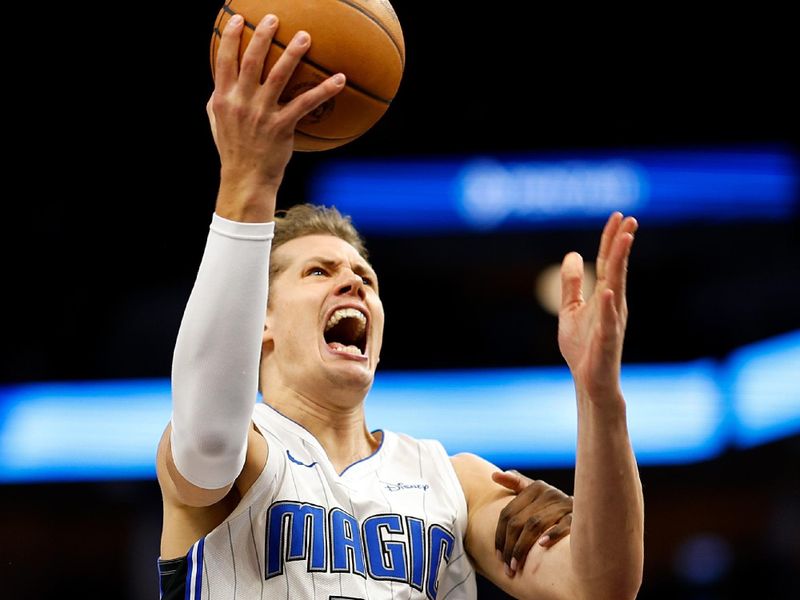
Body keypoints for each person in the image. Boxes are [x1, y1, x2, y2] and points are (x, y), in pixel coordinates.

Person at [155, 12, 644, 600]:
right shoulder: (234, 453)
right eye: (319, 271)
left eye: (365, 277)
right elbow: (209, 441)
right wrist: (247, 181)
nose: (353, 285)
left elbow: (601, 585)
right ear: (259, 318)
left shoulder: (452, 481)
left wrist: (600, 401)